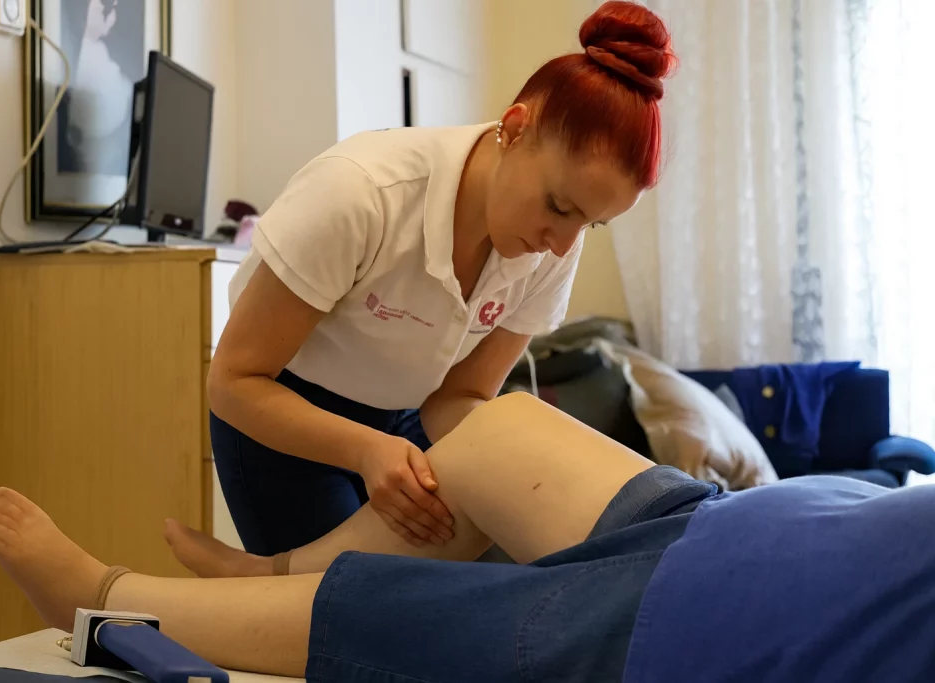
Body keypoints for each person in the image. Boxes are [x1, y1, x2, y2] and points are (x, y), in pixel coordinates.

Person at [0, 391, 935, 682]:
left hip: (718, 625)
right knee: (503, 432)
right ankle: (264, 568)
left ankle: (101, 595)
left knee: (397, 616)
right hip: (755, 530)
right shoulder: (381, 194)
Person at [192, 0, 679, 561]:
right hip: (283, 414)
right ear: (516, 129)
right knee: (334, 614)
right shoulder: (361, 193)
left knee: (470, 590)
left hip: (409, 418)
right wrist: (366, 450)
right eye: (559, 206)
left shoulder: (552, 242)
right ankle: (183, 590)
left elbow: (460, 399)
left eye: (590, 223)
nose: (563, 245)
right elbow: (233, 382)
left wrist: (539, 462)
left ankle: (247, 583)